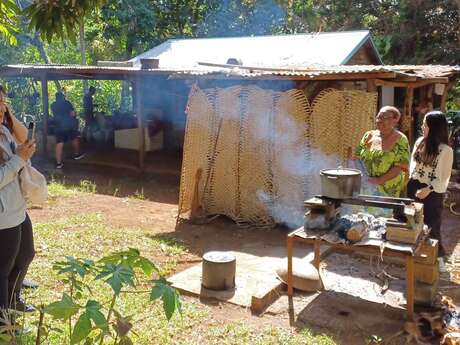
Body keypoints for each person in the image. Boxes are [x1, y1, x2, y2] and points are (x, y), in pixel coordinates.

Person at [0, 100, 36, 316]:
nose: (3, 108)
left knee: (25, 254)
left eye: (3, 102)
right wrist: (17, 160)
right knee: (2, 270)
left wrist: (22, 152)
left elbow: (20, 141)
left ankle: (13, 300)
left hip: (16, 207)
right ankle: (4, 324)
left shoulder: (4, 129)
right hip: (3, 215)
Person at [408, 111, 453, 271]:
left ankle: (439, 256)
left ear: (434, 127)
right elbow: (412, 165)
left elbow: (444, 177)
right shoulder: (420, 141)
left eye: (425, 124)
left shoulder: (446, 150)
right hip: (414, 186)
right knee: (413, 221)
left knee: (432, 224)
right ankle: (415, 255)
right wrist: (411, 184)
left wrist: (429, 188)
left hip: (433, 191)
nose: (422, 127)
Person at [355, 106, 410, 198]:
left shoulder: (401, 139)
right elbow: (357, 158)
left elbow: (400, 166)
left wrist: (379, 180)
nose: (379, 120)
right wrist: (362, 178)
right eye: (378, 117)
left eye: (384, 117)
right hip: (366, 186)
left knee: (383, 211)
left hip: (387, 190)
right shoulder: (368, 135)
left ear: (395, 120)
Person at [51, 91, 84, 169]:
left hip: (58, 126)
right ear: (63, 97)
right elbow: (72, 114)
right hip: (68, 125)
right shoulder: (67, 103)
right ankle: (76, 155)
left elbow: (54, 115)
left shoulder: (53, 105)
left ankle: (58, 163)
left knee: (59, 143)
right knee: (74, 138)